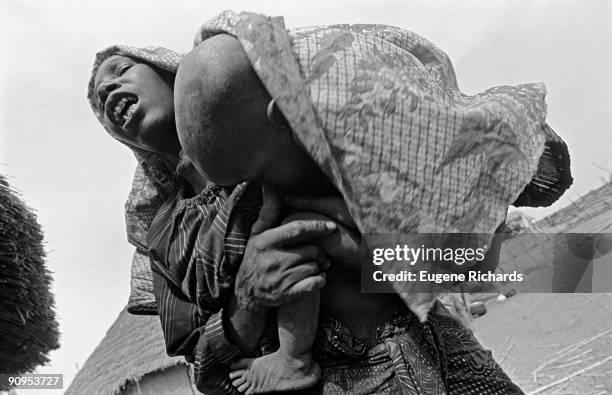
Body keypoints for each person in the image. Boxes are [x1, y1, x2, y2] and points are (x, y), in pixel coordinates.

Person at [87, 10, 572, 394]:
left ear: (166, 70)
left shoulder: (293, 119)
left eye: (120, 69)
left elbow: (461, 242)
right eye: (98, 102)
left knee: (554, 262)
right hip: (320, 385)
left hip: (439, 346)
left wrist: (366, 256)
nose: (107, 89)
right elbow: (204, 369)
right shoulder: (163, 236)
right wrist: (248, 303)